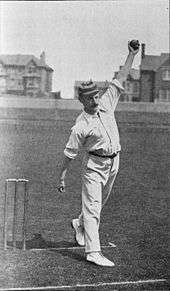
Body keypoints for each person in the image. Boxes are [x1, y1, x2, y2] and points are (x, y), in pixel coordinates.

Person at [57, 40, 140, 267]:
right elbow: (70, 152)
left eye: (96, 96)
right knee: (93, 207)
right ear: (81, 100)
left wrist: (131, 55)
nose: (94, 101)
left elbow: (120, 79)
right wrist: (63, 176)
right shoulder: (81, 125)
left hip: (115, 162)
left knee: (99, 203)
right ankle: (93, 251)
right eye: (89, 98)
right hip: (94, 166)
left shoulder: (106, 103)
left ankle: (79, 223)